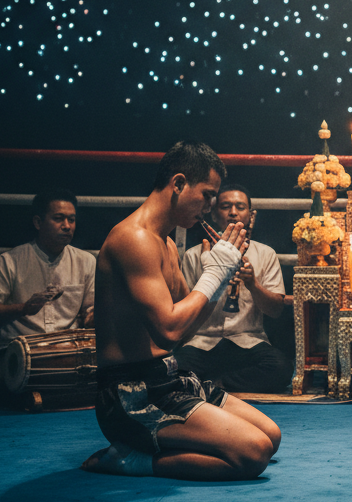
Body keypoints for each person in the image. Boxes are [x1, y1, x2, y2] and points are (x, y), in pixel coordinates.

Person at [81, 140, 280, 481]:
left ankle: (163, 443)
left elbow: (189, 325)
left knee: (271, 436)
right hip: (132, 394)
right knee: (254, 453)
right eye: (206, 195)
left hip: (169, 378)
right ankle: (130, 460)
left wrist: (221, 279)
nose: (208, 208)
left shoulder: (168, 243)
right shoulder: (134, 239)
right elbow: (169, 331)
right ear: (177, 184)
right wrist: (214, 273)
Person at [0, 188, 95, 407]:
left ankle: (35, 399)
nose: (67, 225)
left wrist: (95, 317)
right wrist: (22, 309)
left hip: (67, 352)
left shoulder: (87, 262)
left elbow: (91, 313)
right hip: (17, 349)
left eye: (72, 219)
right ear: (38, 222)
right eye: (58, 219)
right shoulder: (10, 260)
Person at [175, 184, 292, 394]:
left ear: (251, 215)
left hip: (247, 341)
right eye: (225, 206)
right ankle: (216, 383)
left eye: (240, 207)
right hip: (203, 342)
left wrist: (253, 284)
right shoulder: (194, 255)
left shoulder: (266, 254)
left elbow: (275, 310)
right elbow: (184, 308)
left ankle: (217, 384)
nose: (233, 213)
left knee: (281, 369)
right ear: (212, 214)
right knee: (175, 369)